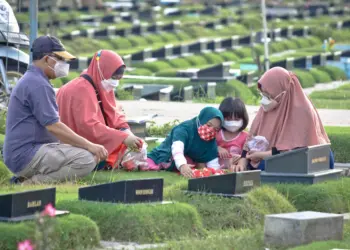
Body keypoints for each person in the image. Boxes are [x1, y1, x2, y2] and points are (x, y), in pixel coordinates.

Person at [3, 35, 108, 184]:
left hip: (30, 151)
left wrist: (85, 145)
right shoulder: (38, 84)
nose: (64, 64)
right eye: (60, 59)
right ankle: (29, 184)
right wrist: (89, 145)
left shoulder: (35, 79)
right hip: (27, 154)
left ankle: (35, 180)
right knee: (86, 159)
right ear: (47, 59)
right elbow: (54, 127)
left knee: (89, 153)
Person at [232, 67, 334, 172]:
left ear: (281, 92)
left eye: (268, 95)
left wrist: (264, 155)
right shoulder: (267, 108)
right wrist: (243, 159)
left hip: (308, 158)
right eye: (263, 94)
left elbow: (296, 149)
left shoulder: (302, 111)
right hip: (275, 156)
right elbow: (252, 136)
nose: (264, 99)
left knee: (266, 165)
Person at [56, 50, 143, 170]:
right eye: (113, 77)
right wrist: (123, 137)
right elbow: (88, 126)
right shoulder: (81, 89)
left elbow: (113, 112)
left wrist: (126, 131)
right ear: (103, 71)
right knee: (112, 151)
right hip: (71, 146)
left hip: (85, 141)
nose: (115, 82)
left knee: (130, 148)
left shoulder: (99, 82)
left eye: (118, 78)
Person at [147, 107, 223, 178]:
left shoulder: (211, 138)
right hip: (164, 156)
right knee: (146, 165)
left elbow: (212, 160)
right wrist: (182, 165)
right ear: (201, 120)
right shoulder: (184, 129)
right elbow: (177, 148)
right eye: (209, 125)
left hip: (188, 161)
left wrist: (215, 173)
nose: (211, 130)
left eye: (216, 129)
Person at [216, 97, 249, 170]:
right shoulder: (216, 134)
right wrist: (217, 148)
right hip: (215, 167)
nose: (233, 122)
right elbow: (206, 148)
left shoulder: (246, 137)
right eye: (228, 119)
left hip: (234, 168)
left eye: (237, 119)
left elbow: (246, 156)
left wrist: (241, 164)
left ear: (243, 118)